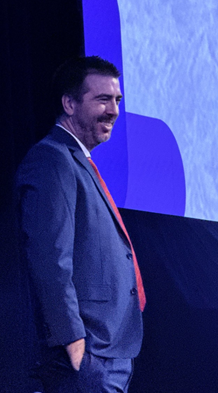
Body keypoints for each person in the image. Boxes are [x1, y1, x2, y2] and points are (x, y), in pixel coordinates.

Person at [15, 56, 145, 393]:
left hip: (109, 350)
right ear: (69, 104)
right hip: (86, 352)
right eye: (102, 99)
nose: (114, 110)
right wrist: (71, 339)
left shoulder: (77, 161)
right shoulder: (51, 159)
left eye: (117, 100)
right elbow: (49, 257)